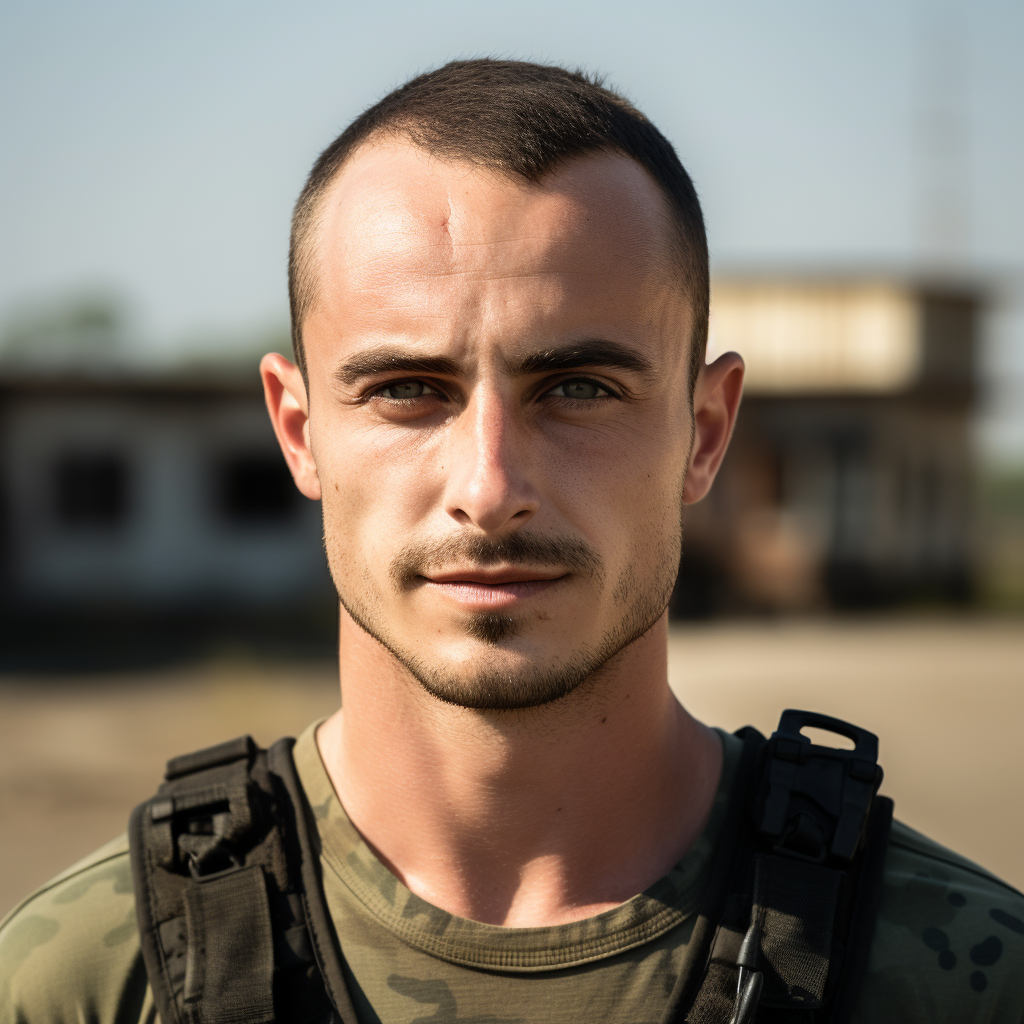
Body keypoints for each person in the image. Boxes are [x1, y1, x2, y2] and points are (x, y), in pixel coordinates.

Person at [2, 59, 1022, 1024]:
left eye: (578, 389)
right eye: (407, 390)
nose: (490, 491)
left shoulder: (967, 975)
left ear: (703, 434)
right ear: (301, 432)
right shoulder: (85, 981)